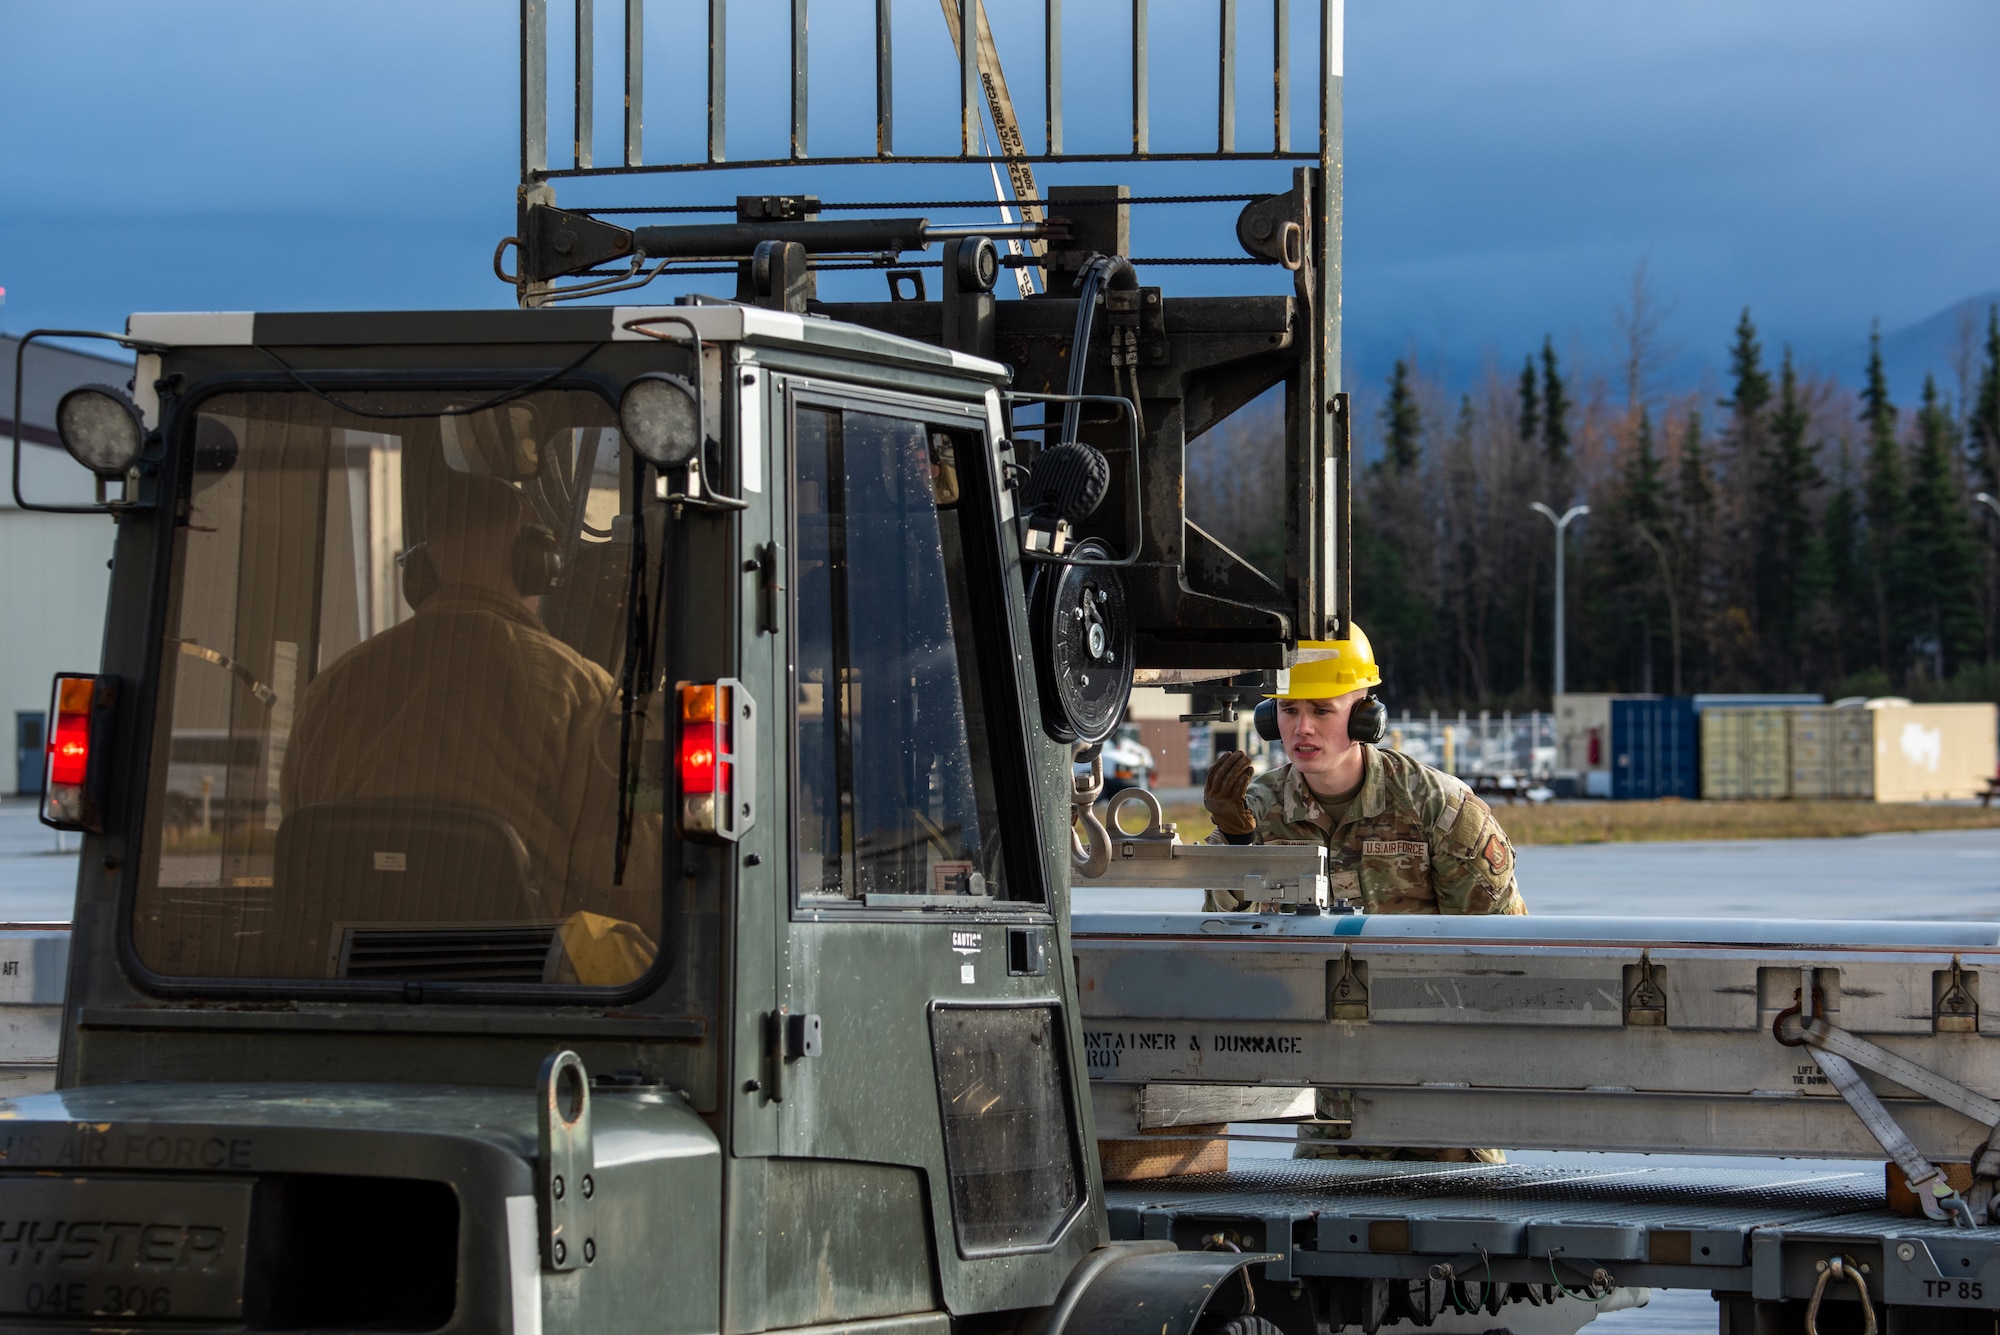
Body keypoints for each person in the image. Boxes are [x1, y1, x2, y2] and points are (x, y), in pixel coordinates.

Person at [281, 471, 656, 983]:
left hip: (354, 979)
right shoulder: (581, 691)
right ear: (537, 565)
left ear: (422, 569)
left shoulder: (330, 688)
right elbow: (624, 875)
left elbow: (304, 838)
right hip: (522, 990)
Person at [1201, 622, 1523, 1161]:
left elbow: (1500, 944)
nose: (1300, 728)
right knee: (1326, 1234)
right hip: (1331, 1095)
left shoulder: (1435, 807)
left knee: (1464, 1233)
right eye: (1287, 710)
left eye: (1322, 710)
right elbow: (1219, 933)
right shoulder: (1257, 808)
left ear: (1364, 714)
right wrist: (1238, 843)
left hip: (1438, 1089)